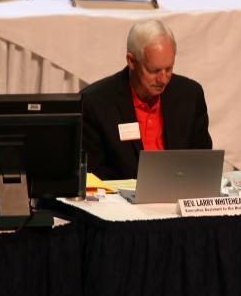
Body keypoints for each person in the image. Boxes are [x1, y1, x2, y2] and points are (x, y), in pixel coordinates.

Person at [81, 19, 212, 179]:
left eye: (169, 69)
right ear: (131, 61)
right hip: (120, 201)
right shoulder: (96, 102)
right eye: (154, 70)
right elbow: (92, 175)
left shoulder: (190, 95)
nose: (163, 79)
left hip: (178, 197)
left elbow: (202, 164)